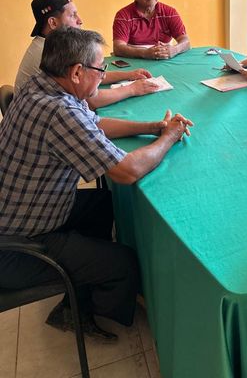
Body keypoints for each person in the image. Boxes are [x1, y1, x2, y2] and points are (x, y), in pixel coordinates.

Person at [0, 27, 193, 341]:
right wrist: (169, 137)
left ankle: (83, 285)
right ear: (77, 72)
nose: (103, 76)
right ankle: (84, 310)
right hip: (16, 247)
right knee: (123, 264)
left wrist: (152, 127)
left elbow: (95, 124)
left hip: (21, 216)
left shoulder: (43, 85)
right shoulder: (59, 112)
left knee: (102, 203)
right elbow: (127, 171)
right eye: (100, 69)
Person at [15, 0, 158, 109]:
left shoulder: (47, 44)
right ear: (53, 23)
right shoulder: (50, 52)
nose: (80, 20)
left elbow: (90, 74)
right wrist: (132, 89)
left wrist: (129, 75)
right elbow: (91, 101)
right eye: (72, 15)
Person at [112, 0, 190, 60]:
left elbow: (186, 42)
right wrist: (145, 53)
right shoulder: (123, 15)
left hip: (164, 61)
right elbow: (118, 48)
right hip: (135, 62)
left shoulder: (169, 12)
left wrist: (175, 49)